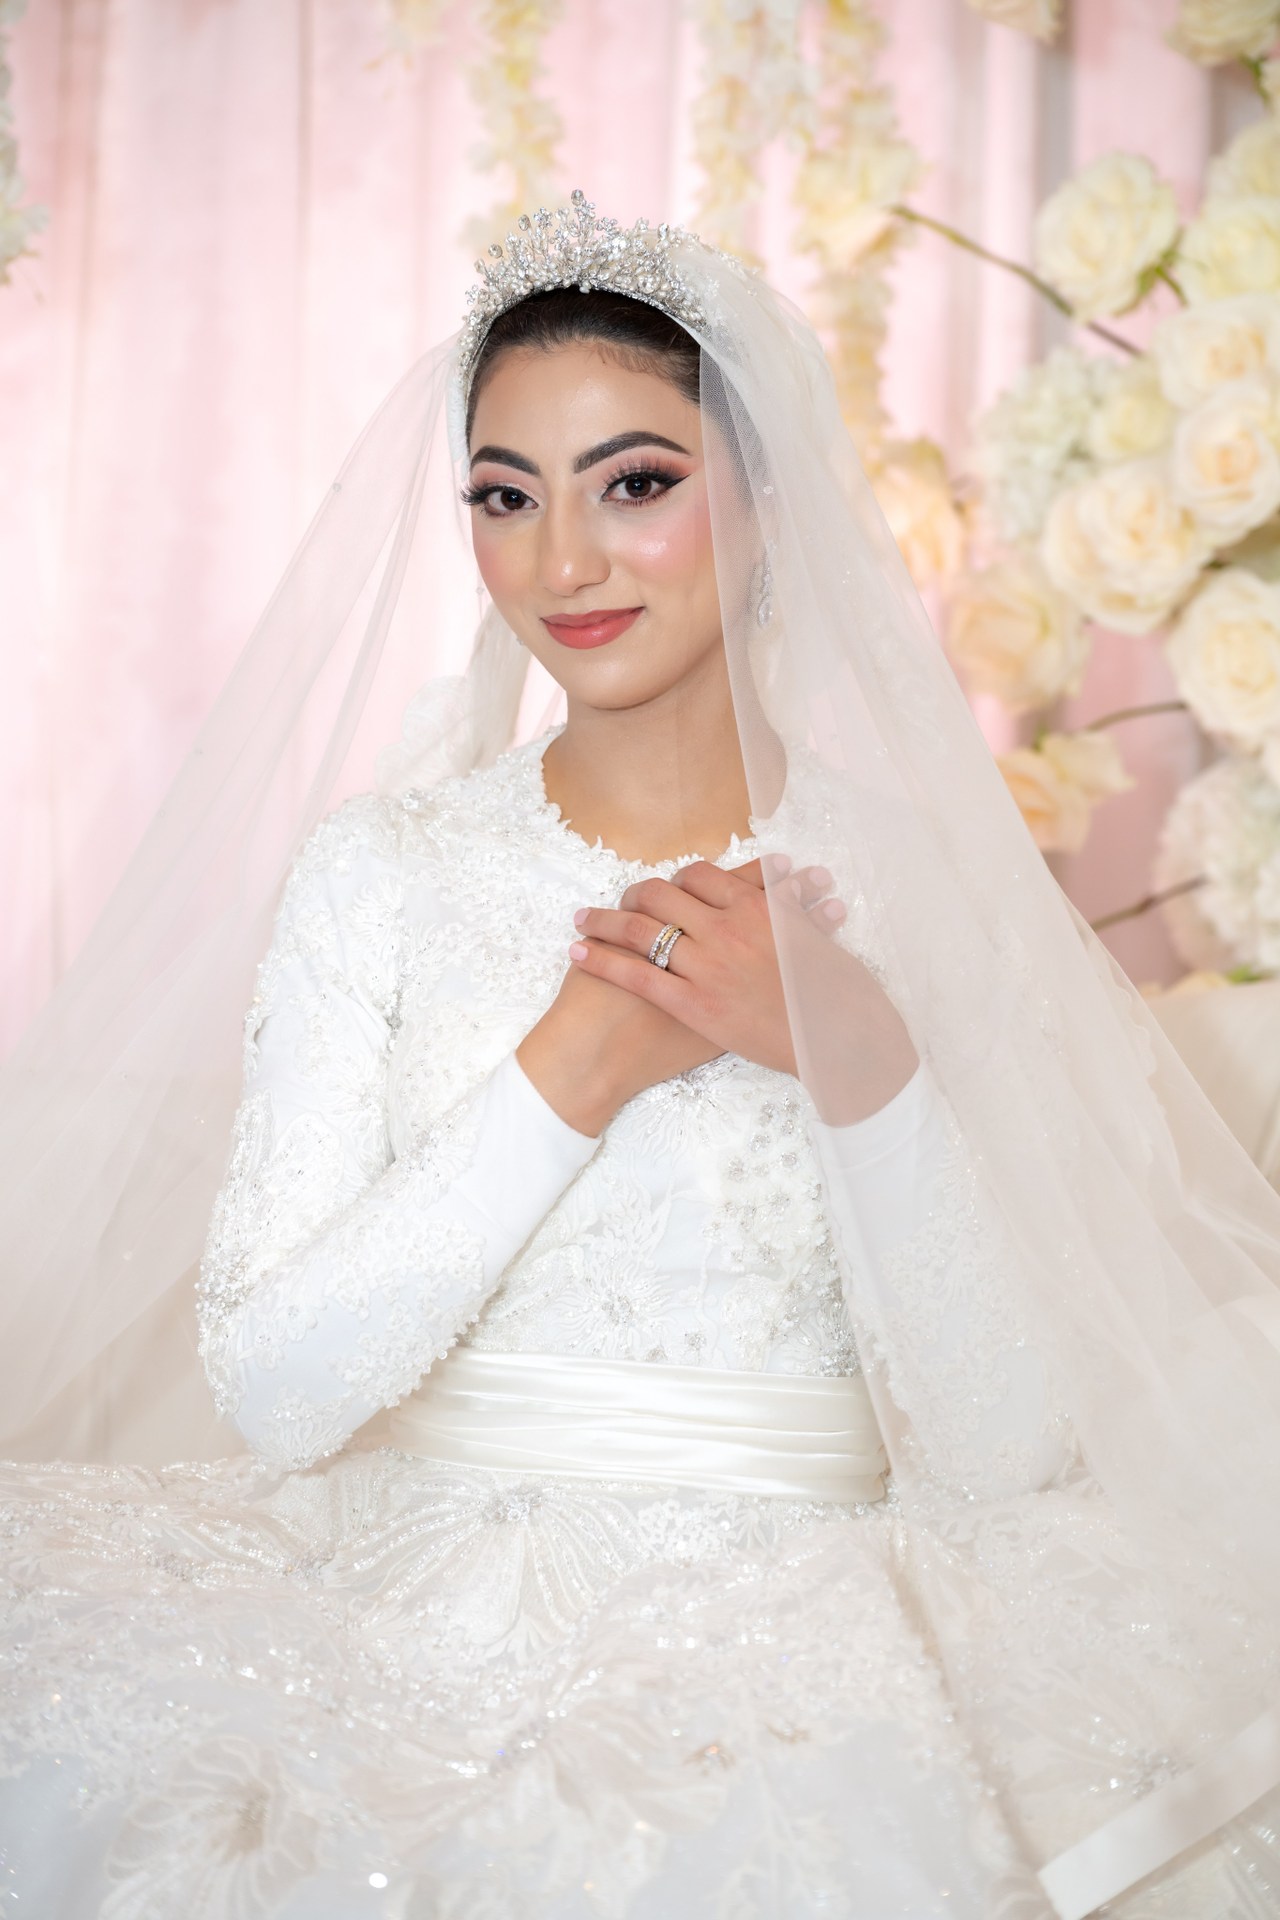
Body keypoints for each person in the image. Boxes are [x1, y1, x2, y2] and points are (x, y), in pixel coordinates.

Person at [3, 193, 1280, 1919]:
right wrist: (576, 1067)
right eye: (505, 498)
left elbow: (995, 1453)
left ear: (768, 503)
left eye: (637, 483)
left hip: (793, 1639)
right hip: (397, 1625)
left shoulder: (920, 882)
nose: (564, 566)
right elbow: (281, 1394)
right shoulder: (380, 875)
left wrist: (856, 1054)